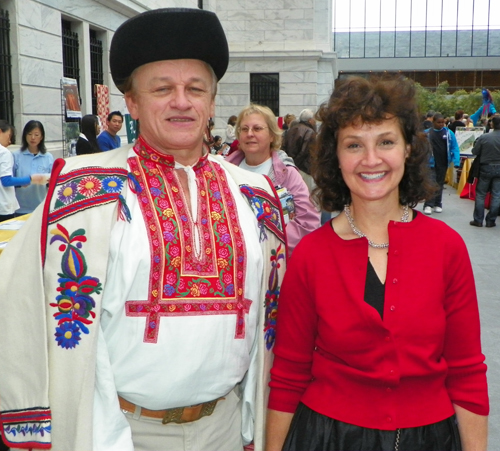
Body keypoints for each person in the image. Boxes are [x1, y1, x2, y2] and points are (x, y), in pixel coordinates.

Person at [0, 8, 287, 451]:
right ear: (131, 102)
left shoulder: (257, 195)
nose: (181, 101)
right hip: (118, 432)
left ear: (212, 102)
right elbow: (19, 305)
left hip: (226, 429)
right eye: (162, 89)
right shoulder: (79, 190)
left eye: (195, 89)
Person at [266, 75, 489, 451]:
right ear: (336, 156)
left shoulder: (445, 246)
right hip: (326, 438)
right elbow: (289, 374)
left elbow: (467, 372)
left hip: (430, 438)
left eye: (385, 141)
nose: (371, 160)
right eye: (354, 145)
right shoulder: (311, 255)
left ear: (407, 149)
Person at [226, 104, 320, 254]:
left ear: (271, 135)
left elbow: (307, 223)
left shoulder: (287, 174)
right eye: (244, 129)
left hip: (275, 264)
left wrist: (265, 241)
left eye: (257, 128)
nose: (250, 134)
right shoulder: (224, 171)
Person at [13, 120, 54, 214]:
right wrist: (22, 182)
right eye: (29, 134)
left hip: (40, 208)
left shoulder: (48, 157)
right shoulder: (16, 156)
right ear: (25, 136)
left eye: (36, 134)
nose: (32, 138)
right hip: (20, 208)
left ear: (41, 137)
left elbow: (53, 182)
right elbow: (9, 181)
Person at [422, 113, 460, 215]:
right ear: (433, 122)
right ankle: (428, 205)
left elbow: (454, 147)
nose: (441, 124)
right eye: (439, 122)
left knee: (439, 183)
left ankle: (438, 203)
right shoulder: (427, 134)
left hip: (443, 162)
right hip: (430, 163)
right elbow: (420, 147)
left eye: (443, 122)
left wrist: (456, 161)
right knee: (432, 183)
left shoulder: (448, 133)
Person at [470, 115, 500, 228]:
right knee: (497, 194)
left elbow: (475, 151)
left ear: (492, 124)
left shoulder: (484, 137)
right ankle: (491, 220)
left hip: (486, 167)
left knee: (481, 194)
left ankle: (478, 219)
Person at [282, 108, 317, 176]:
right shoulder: (310, 132)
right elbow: (305, 151)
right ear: (310, 120)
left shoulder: (291, 130)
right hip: (304, 169)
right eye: (313, 119)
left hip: (290, 166)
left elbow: (284, 147)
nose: (315, 121)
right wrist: (295, 164)